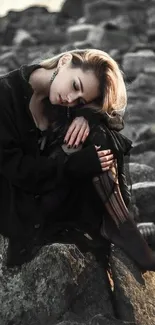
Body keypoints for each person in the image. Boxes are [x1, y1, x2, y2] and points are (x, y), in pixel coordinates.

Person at [0, 48, 154, 271]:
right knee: (93, 150)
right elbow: (18, 171)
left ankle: (120, 224)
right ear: (64, 61)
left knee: (100, 134)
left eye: (80, 100)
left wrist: (87, 115)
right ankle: (119, 227)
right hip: (13, 198)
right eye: (75, 86)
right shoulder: (5, 94)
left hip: (45, 187)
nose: (70, 99)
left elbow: (113, 119)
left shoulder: (64, 102)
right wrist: (73, 166)